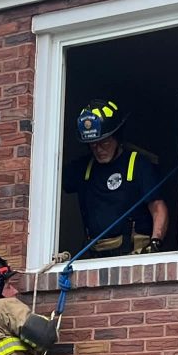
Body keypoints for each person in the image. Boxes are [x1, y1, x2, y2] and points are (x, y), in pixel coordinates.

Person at [62, 97, 169, 258]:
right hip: (96, 256)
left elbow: (158, 207)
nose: (98, 150)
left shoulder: (137, 164)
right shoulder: (84, 168)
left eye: (104, 143)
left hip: (132, 254)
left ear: (117, 137)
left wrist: (155, 242)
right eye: (93, 144)